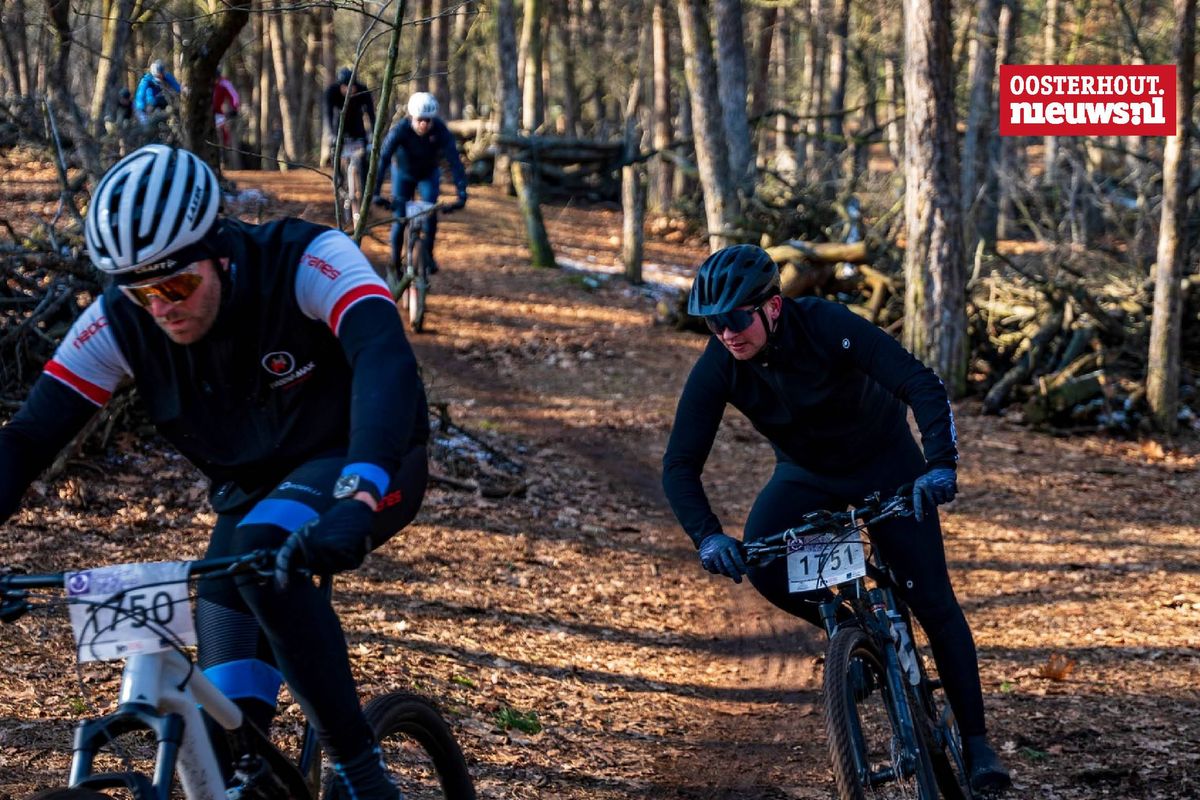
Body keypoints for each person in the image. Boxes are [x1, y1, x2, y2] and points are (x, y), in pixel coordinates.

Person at [0, 144, 429, 799]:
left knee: (261, 546)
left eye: (175, 286)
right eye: (142, 293)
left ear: (220, 253)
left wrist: (359, 492)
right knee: (232, 729)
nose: (161, 308)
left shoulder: (305, 259)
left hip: (364, 457)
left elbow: (383, 355)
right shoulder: (120, 322)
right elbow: (29, 438)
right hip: (254, 490)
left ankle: (359, 766)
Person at [661, 245, 1012, 795]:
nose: (726, 333)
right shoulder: (720, 363)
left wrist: (940, 466)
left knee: (931, 600)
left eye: (735, 318)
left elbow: (920, 383)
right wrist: (706, 536)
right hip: (806, 477)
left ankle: (976, 742)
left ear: (772, 306)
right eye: (712, 322)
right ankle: (856, 633)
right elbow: (680, 464)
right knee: (764, 565)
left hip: (886, 466)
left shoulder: (827, 324)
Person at [371, 92, 468, 274]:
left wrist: (462, 193)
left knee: (430, 213)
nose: (424, 124)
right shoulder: (400, 130)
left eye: (428, 120)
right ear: (411, 117)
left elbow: (455, 161)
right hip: (403, 174)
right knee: (400, 219)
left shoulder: (440, 130)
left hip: (428, 175)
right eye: (420, 120)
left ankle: (427, 256)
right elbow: (383, 159)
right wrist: (375, 192)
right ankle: (394, 263)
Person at [323, 67, 376, 193]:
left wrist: (373, 133)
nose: (348, 90)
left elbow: (371, 114)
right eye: (345, 87)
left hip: (357, 127)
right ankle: (338, 178)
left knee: (363, 156)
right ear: (340, 86)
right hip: (339, 127)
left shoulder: (363, 90)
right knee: (335, 149)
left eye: (352, 87)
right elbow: (327, 114)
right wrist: (330, 134)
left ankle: (364, 188)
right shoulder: (331, 92)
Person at [134, 59, 181, 127]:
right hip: (150, 103)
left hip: (162, 101)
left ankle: (170, 123)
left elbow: (174, 84)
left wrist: (182, 89)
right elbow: (140, 94)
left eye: (162, 74)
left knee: (170, 109)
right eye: (159, 74)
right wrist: (141, 109)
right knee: (150, 120)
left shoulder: (165, 75)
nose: (161, 76)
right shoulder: (146, 80)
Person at [212, 66, 241, 150]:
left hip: (218, 113)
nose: (215, 81)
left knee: (223, 131)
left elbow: (234, 96)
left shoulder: (224, 82)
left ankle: (224, 150)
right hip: (206, 112)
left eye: (216, 79)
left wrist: (234, 108)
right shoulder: (203, 82)